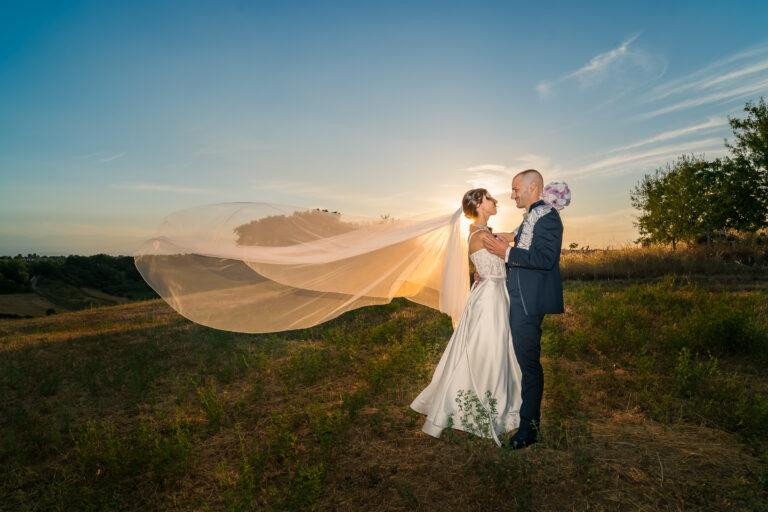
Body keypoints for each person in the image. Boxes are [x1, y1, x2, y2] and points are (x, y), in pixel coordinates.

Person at [409, 188, 523, 447]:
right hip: (491, 296)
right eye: (491, 199)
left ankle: (485, 396)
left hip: (490, 291)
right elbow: (510, 246)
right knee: (489, 348)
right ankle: (485, 402)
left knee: (488, 346)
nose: (496, 201)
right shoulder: (483, 236)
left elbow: (508, 238)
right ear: (481, 204)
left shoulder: (480, 233)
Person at [483, 169, 565, 450]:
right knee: (520, 360)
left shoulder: (549, 218)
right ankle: (514, 411)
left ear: (533, 188)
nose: (512, 194)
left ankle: (529, 429)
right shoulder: (530, 217)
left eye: (516, 189)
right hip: (516, 298)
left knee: (529, 364)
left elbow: (544, 259)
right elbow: (517, 242)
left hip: (529, 303)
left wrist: (504, 253)